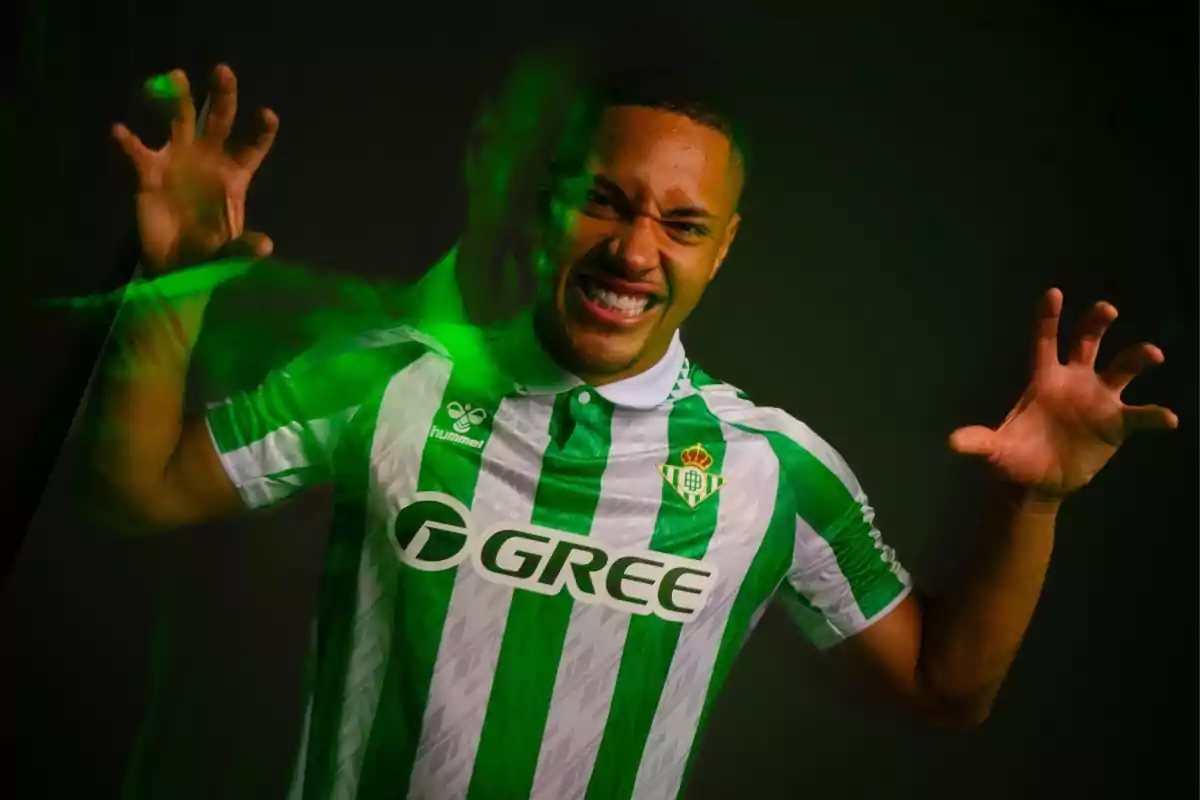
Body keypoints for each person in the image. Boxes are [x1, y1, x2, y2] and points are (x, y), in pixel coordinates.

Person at [93, 46, 1177, 800]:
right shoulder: (386, 381)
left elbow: (949, 687)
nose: (634, 251)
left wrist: (1029, 498)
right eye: (604, 202)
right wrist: (172, 288)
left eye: (683, 223)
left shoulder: (770, 468)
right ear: (547, 200)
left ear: (724, 247)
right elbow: (138, 489)